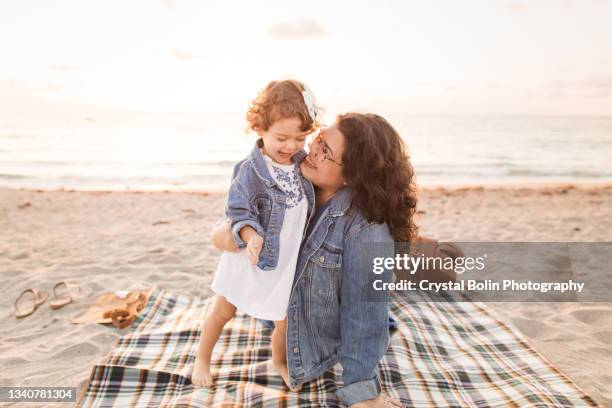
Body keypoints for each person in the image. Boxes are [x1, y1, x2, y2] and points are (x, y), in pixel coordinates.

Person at [211, 112, 414, 407]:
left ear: (352, 175)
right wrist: (238, 235)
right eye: (318, 140)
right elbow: (226, 227)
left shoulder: (367, 228)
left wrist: (361, 390)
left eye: (326, 152)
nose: (311, 151)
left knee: (384, 284)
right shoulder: (293, 174)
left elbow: (364, 310)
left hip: (319, 333)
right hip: (280, 313)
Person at [190, 79, 320, 389]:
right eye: (281, 138)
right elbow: (238, 212)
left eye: (299, 138)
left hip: (286, 260)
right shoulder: (250, 170)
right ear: (260, 128)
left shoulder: (303, 164)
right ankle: (202, 359)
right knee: (223, 310)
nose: (290, 146)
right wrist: (250, 236)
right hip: (252, 254)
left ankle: (280, 362)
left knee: (283, 318)